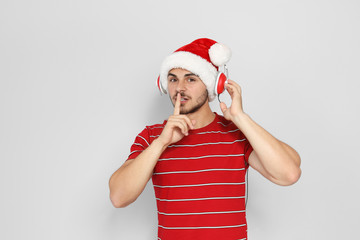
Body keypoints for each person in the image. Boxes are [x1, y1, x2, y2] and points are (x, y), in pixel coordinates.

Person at [109, 38, 301, 240]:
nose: (180, 88)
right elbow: (119, 197)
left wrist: (241, 119)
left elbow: (289, 173)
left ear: (211, 85)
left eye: (191, 79)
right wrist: (161, 143)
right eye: (173, 79)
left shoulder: (236, 132)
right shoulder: (152, 136)